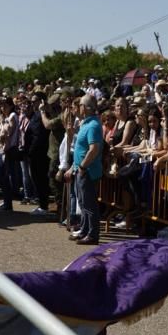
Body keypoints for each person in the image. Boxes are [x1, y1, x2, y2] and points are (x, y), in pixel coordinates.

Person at [66, 94, 103, 245]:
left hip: (87, 171)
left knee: (89, 204)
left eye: (81, 104)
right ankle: (84, 229)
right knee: (83, 203)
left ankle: (92, 234)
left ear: (86, 108)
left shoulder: (93, 125)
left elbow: (94, 149)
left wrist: (82, 166)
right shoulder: (85, 123)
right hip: (80, 170)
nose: (79, 107)